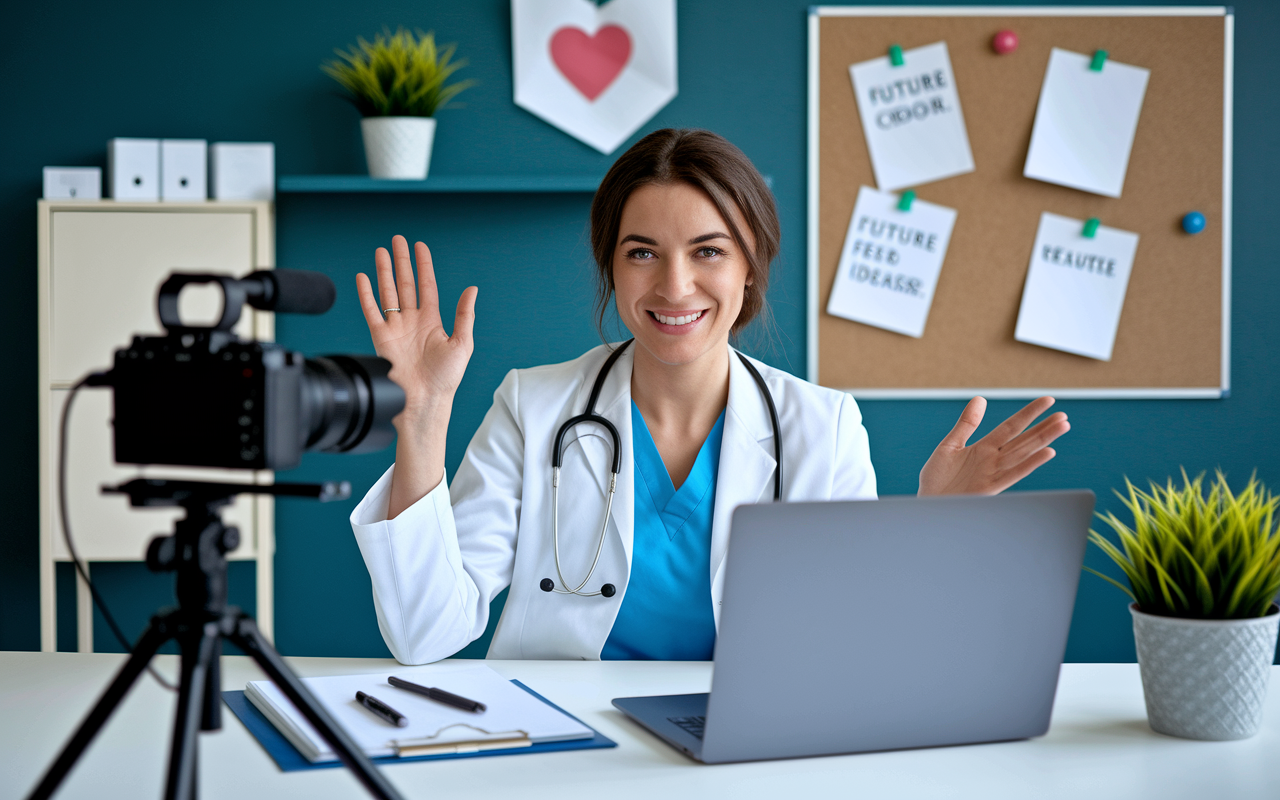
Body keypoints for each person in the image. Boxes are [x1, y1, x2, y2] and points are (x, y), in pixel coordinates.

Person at [349, 129, 1069, 665]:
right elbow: (422, 636)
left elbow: (858, 649)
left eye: (709, 250)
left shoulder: (822, 426)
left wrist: (933, 528)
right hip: (562, 743)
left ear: (751, 268)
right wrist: (421, 423)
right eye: (642, 252)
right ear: (611, 265)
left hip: (744, 744)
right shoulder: (532, 407)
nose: (674, 286)